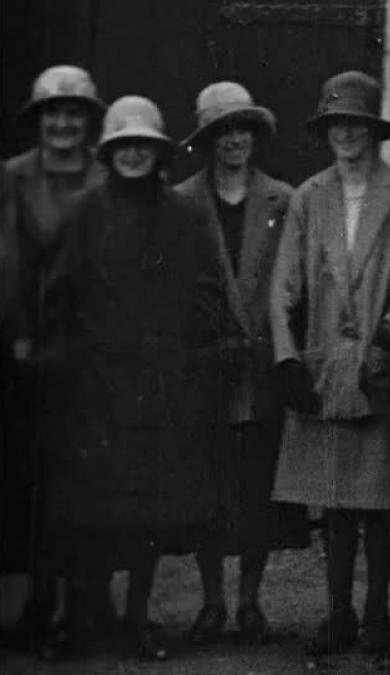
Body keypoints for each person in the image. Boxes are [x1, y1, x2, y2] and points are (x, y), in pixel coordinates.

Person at [38, 95, 229, 660]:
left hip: (159, 385)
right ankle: (81, 618)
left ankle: (138, 619)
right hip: (93, 387)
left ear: (159, 153)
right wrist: (69, 356)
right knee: (88, 511)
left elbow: (208, 293)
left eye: (144, 147)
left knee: (149, 512)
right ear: (110, 152)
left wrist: (184, 342)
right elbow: (56, 296)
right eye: (125, 147)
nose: (134, 157)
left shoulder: (185, 217)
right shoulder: (82, 213)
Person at [270, 70, 390, 656]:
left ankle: (378, 613)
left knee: (379, 500)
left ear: (374, 131)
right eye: (336, 123)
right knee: (334, 501)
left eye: (355, 124)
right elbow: (284, 282)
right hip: (325, 364)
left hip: (378, 361)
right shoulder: (309, 197)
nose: (345, 134)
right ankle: (338, 612)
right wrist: (287, 357)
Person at [173, 81, 309, 645]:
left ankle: (251, 601)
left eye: (242, 129)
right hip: (206, 368)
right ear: (208, 141)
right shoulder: (180, 201)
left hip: (259, 368)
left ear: (255, 136)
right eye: (222, 131)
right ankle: (211, 602)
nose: (234, 140)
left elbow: (294, 287)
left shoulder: (284, 198)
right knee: (208, 487)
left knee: (256, 489)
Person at [2, 65, 108, 648]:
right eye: (52, 112)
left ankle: (90, 606)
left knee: (93, 482)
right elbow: (8, 266)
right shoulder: (13, 178)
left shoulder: (105, 174)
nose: (63, 122)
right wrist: (20, 338)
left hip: (98, 356)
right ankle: (39, 604)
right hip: (32, 357)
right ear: (38, 119)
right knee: (39, 485)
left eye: (74, 112)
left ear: (90, 120)